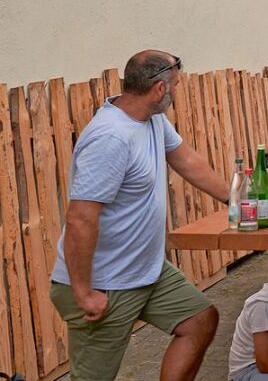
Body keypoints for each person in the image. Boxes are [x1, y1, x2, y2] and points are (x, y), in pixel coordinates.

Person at [49, 51, 227, 381]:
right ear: (159, 88)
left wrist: (236, 198)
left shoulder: (151, 119)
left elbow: (186, 160)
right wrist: (84, 292)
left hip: (145, 271)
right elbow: (80, 219)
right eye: (176, 85)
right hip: (106, 281)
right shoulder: (111, 138)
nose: (178, 91)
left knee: (199, 320)